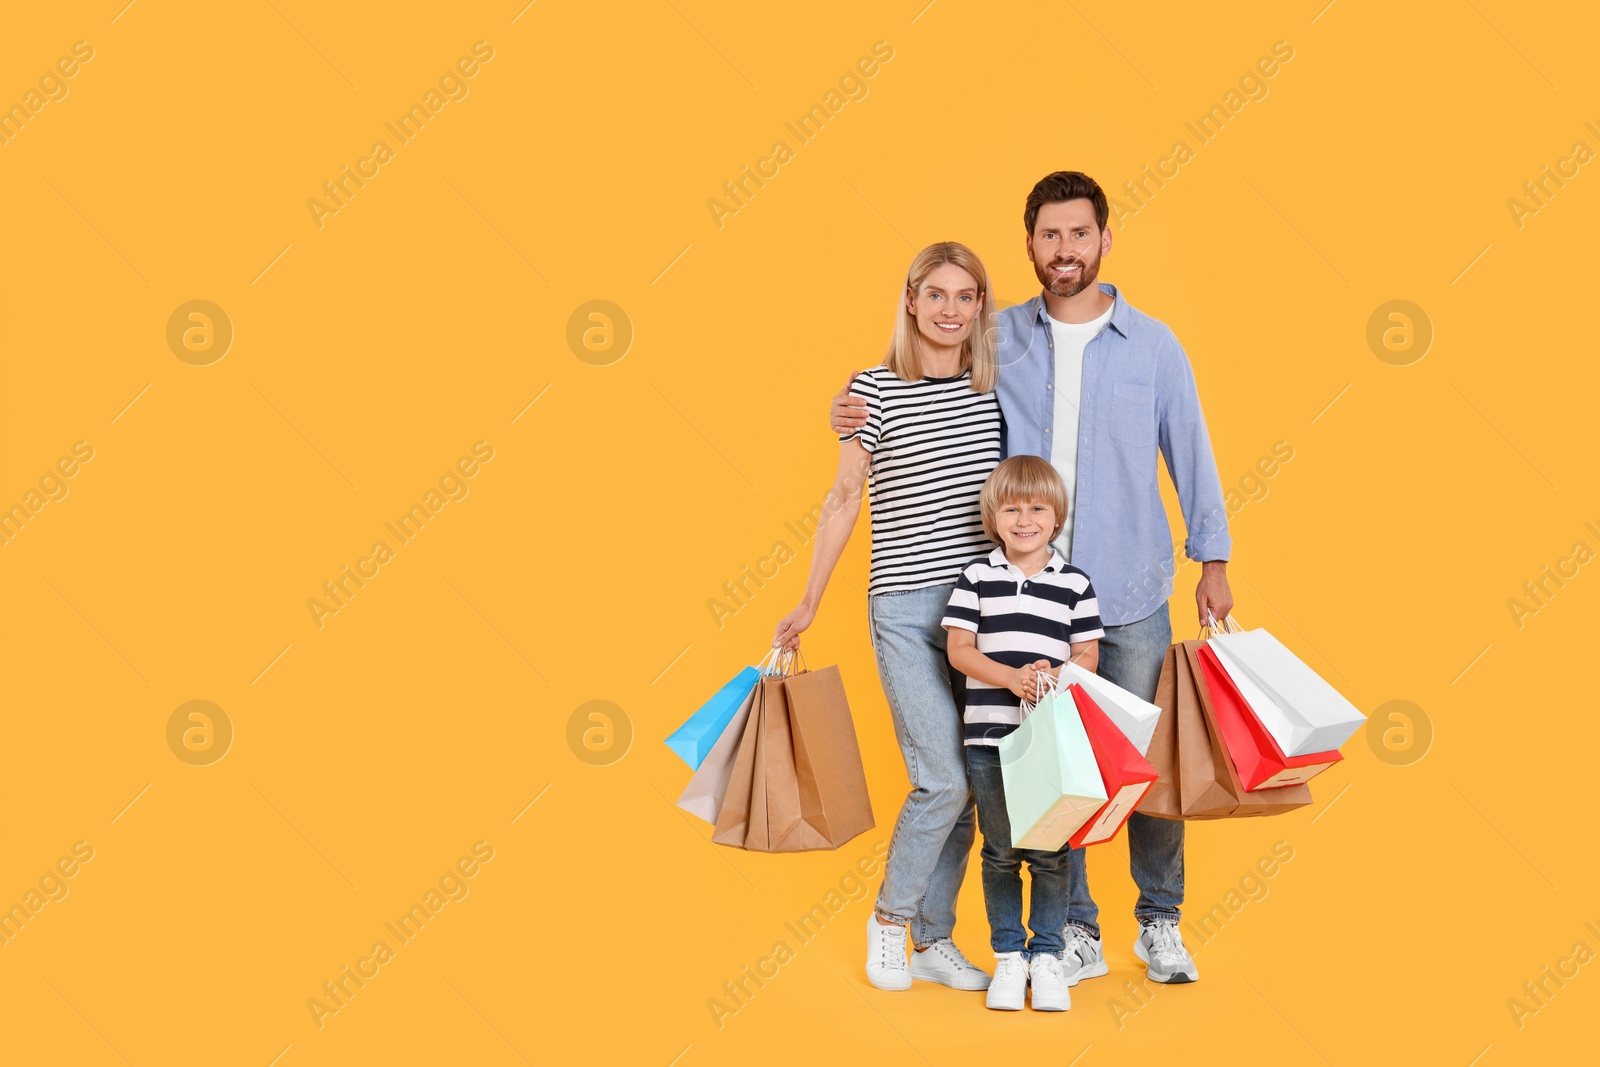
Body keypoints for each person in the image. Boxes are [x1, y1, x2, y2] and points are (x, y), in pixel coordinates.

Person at [833, 171, 1234, 986]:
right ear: (1030, 245)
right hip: (1027, 599)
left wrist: (1213, 560)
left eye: (1079, 234)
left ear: (1104, 240)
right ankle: (1076, 930)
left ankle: (1159, 921)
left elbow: (1190, 449)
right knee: (1055, 767)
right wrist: (852, 408)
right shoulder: (998, 336)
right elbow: (923, 379)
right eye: (1049, 236)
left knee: (1143, 762)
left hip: (1127, 593)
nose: (1064, 251)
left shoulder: (1154, 344)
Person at [773, 241, 1001, 994]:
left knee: (970, 777)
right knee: (939, 775)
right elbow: (844, 497)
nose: (948, 310)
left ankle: (937, 936)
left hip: (982, 609)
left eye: (964, 296)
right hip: (903, 608)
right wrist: (809, 596)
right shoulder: (870, 391)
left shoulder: (994, 386)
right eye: (934, 294)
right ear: (909, 300)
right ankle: (890, 921)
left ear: (979, 308)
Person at [943, 456, 1104, 1011]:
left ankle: (1048, 956)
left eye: (1037, 507)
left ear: (1056, 516)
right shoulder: (976, 577)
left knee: (1051, 851)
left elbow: (1087, 654)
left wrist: (1053, 676)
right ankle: (1009, 956)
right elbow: (959, 650)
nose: (1024, 519)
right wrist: (1013, 678)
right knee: (1001, 851)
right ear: (993, 515)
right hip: (989, 739)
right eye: (1011, 508)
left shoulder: (1075, 583)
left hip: (1051, 742)